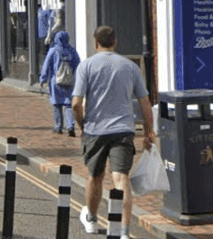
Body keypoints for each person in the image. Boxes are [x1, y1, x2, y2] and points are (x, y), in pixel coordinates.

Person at [72, 25, 155, 238]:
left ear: (95, 42)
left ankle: (91, 220)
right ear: (115, 42)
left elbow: (76, 103)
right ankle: (124, 233)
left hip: (95, 130)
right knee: (121, 179)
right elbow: (145, 102)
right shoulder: (130, 67)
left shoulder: (86, 66)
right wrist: (149, 132)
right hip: (123, 130)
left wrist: (82, 125)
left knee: (95, 176)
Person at [39, 30, 81, 136]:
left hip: (56, 82)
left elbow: (46, 65)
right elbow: (78, 64)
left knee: (57, 104)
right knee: (68, 105)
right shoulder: (72, 51)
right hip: (69, 81)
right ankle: (70, 126)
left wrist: (43, 79)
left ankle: (58, 127)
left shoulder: (53, 50)